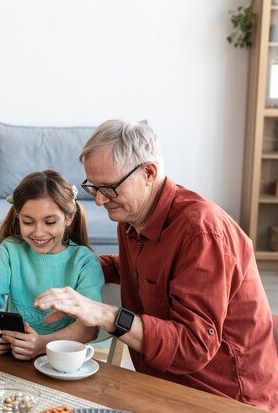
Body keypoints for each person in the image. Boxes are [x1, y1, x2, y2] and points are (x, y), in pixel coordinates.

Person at [33, 119, 278, 411]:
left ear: (148, 172)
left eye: (108, 188)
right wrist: (68, 262)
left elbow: (194, 346)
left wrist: (105, 314)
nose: (98, 200)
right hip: (159, 382)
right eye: (92, 187)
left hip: (223, 397)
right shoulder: (132, 217)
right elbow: (135, 268)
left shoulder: (200, 231)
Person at [0, 170, 104, 360]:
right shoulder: (11, 250)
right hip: (14, 359)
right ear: (18, 216)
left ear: (68, 218)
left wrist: (41, 345)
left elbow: (89, 328)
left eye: (49, 222)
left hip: (60, 361)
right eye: (28, 222)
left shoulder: (85, 262)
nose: (39, 233)